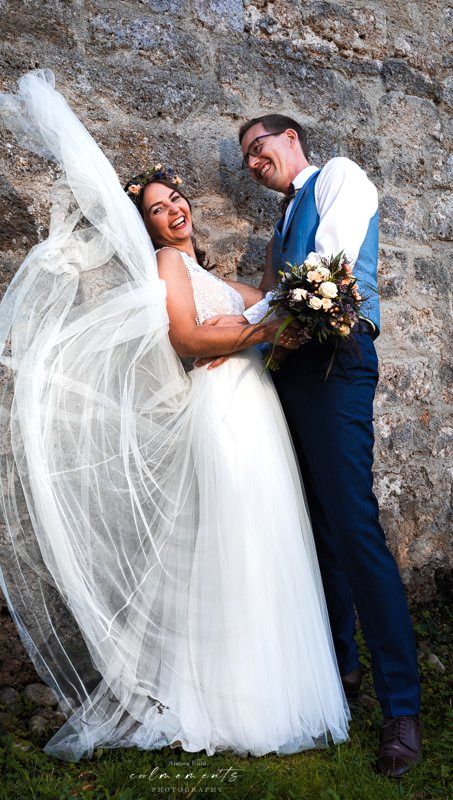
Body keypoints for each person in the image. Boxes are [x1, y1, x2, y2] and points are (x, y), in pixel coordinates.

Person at [0, 71, 350, 762]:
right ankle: (221, 697)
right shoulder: (167, 263)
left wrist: (301, 300)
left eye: (177, 201)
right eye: (159, 208)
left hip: (255, 412)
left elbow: (266, 299)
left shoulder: (215, 272)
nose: (174, 213)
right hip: (221, 412)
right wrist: (260, 331)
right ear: (147, 227)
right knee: (231, 536)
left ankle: (272, 685)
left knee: (266, 534)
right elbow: (189, 341)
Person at [205, 114, 422, 778]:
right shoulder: (281, 219)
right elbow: (279, 296)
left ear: (290, 138)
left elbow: (325, 267)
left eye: (257, 147)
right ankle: (338, 675)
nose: (252, 161)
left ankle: (401, 708)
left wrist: (254, 322)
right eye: (244, 155)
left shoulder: (339, 179)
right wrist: (229, 324)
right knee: (316, 529)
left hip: (334, 361)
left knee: (353, 527)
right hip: (290, 370)